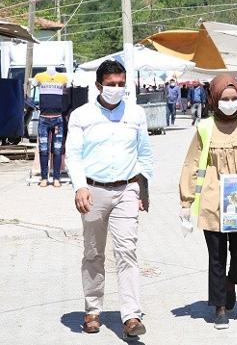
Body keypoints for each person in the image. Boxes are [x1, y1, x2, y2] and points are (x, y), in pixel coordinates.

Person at [66, 60, 153, 339]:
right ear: (98, 85)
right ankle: (92, 310)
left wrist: (144, 189)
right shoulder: (81, 115)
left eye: (121, 84)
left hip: (126, 190)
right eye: (111, 84)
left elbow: (145, 155)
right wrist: (79, 186)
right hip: (93, 191)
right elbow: (74, 155)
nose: (116, 89)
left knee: (127, 250)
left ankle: (131, 315)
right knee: (93, 252)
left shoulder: (136, 114)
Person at [179, 74, 237, 330]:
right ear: (214, 100)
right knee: (216, 256)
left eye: (234, 98)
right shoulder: (204, 128)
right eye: (225, 99)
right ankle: (220, 307)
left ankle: (230, 282)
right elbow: (192, 164)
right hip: (213, 199)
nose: (230, 103)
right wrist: (186, 200)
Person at [33, 66, 70, 187]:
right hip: (43, 118)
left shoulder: (63, 78)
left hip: (58, 118)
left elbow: (67, 89)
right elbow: (33, 84)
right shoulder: (39, 76)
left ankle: (56, 178)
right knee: (43, 149)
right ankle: (44, 178)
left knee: (58, 149)